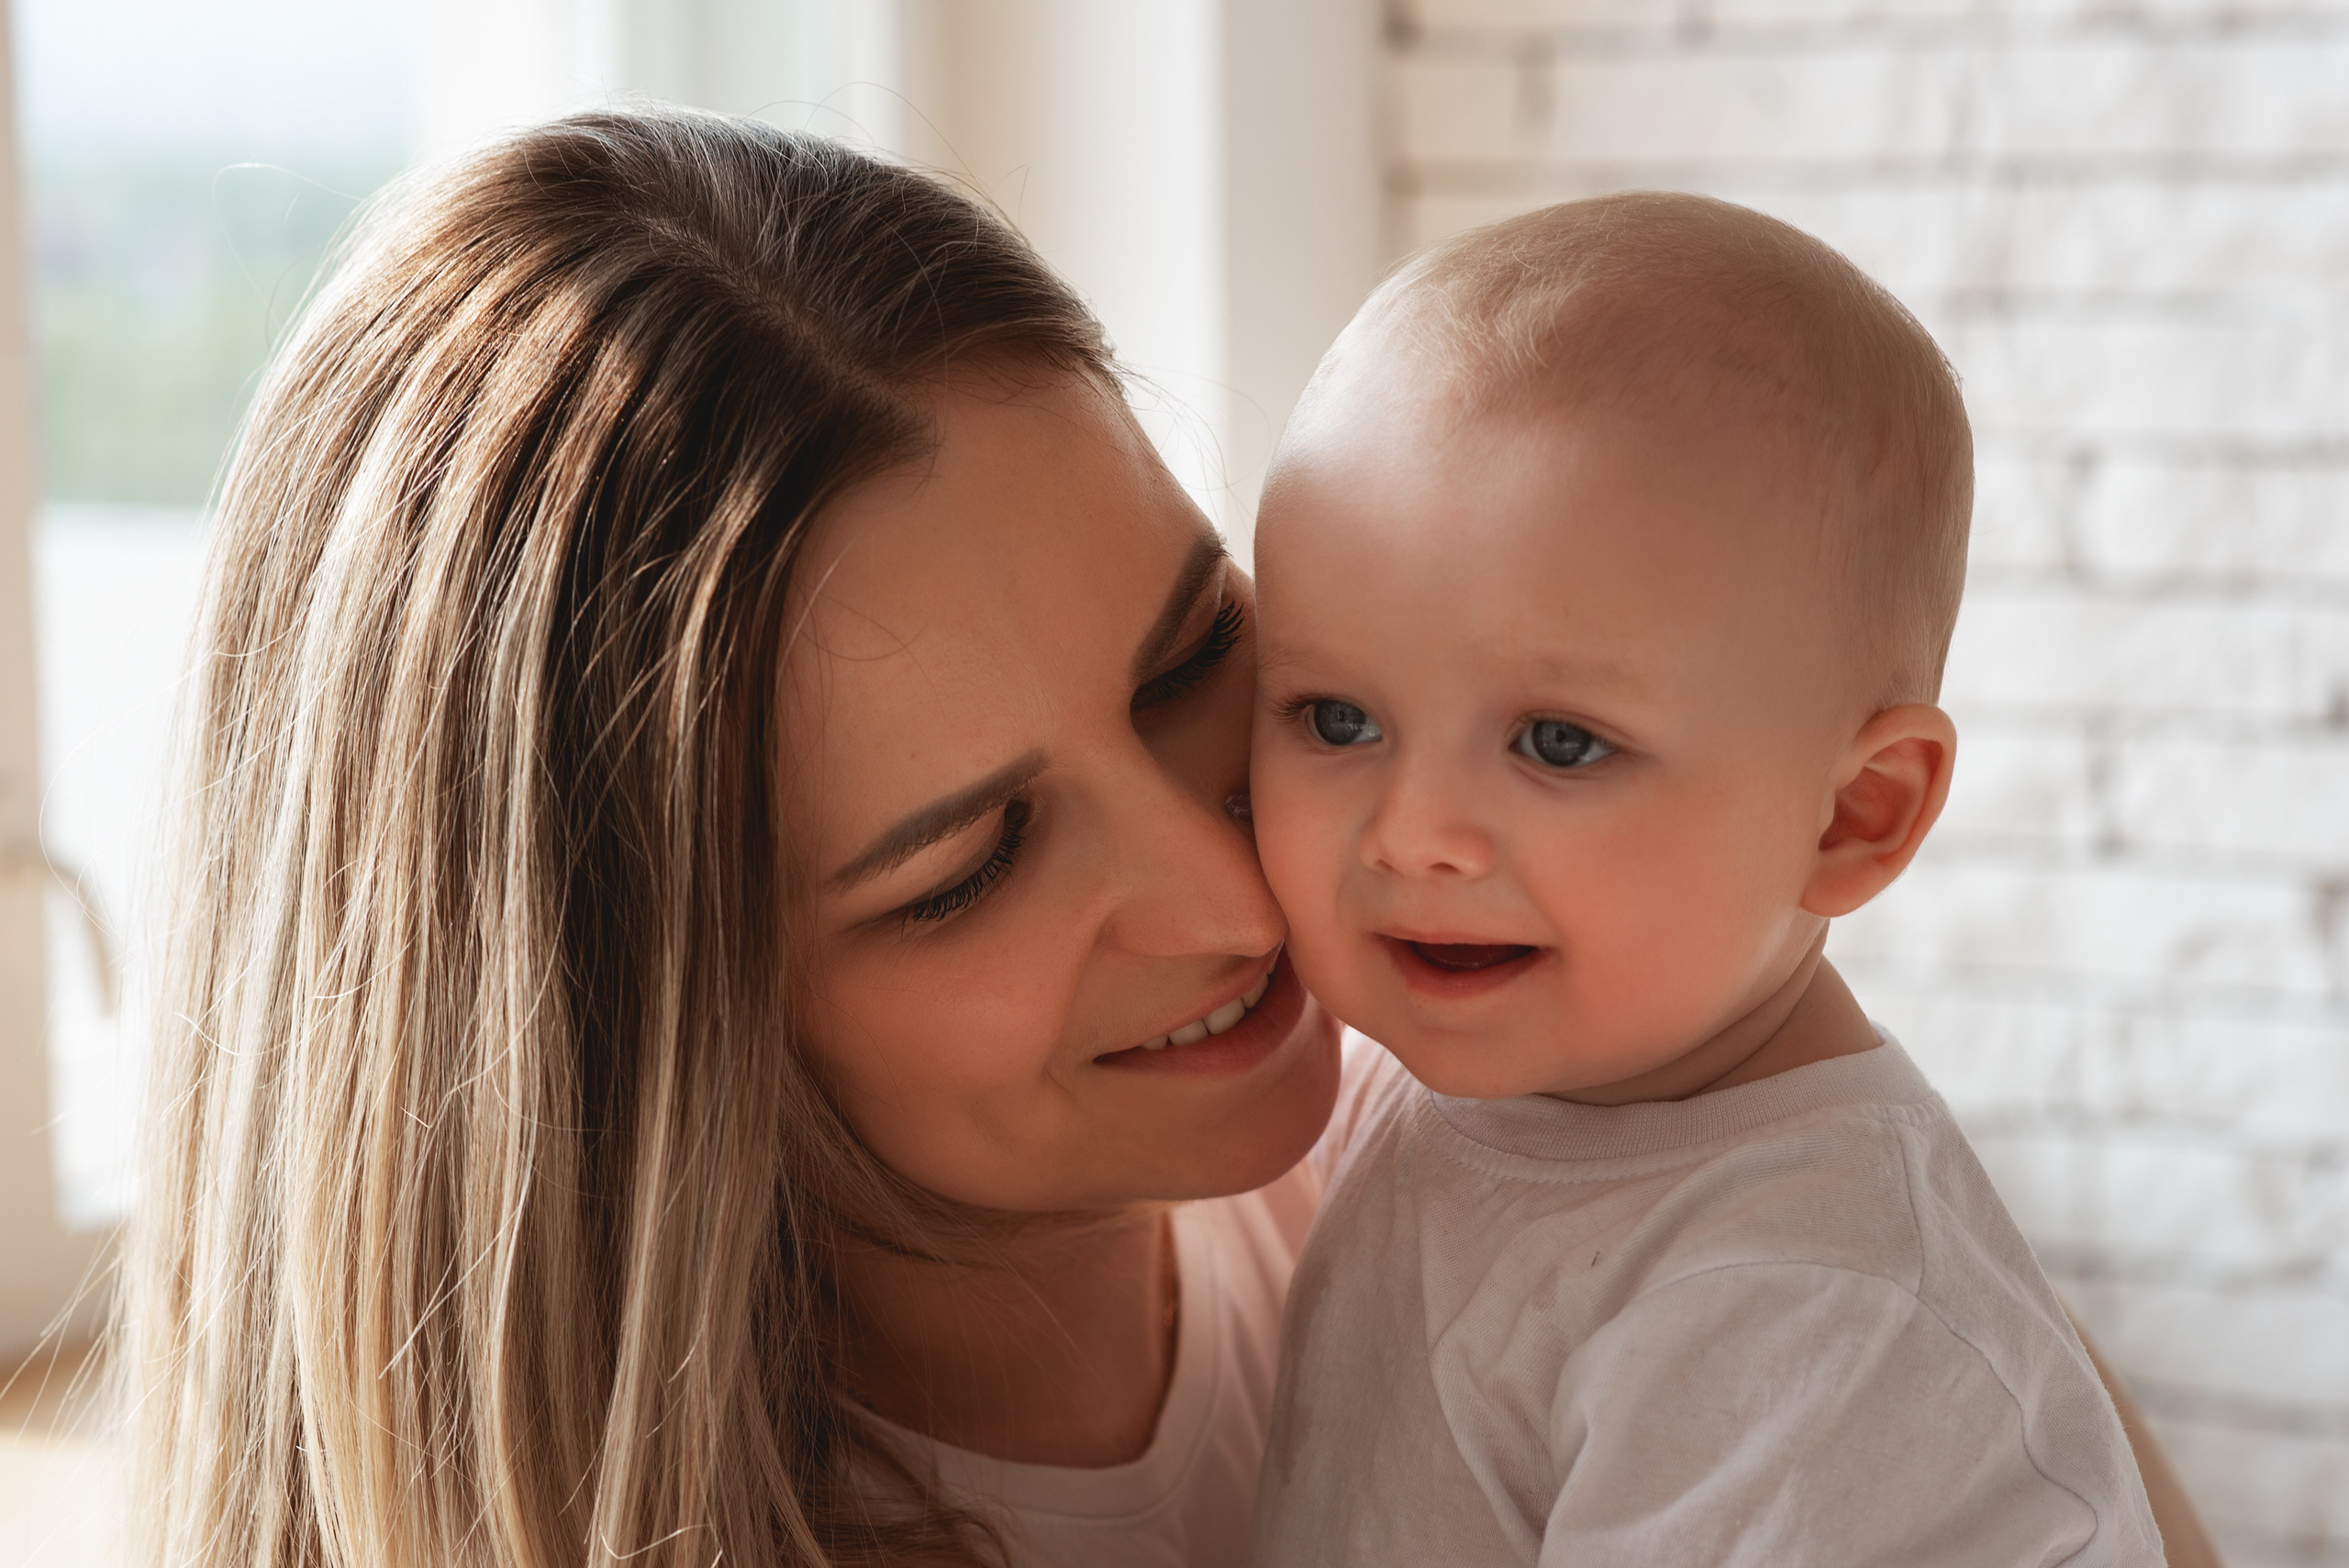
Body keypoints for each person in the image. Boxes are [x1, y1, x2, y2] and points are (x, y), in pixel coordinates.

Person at [119, 111, 2211, 1568]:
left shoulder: (1594, 1168)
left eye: (1198, 660)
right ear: (626, 1032)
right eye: (962, 865)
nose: (1259, 893)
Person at [1245, 195, 2165, 1563]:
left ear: (1852, 815)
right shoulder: (1443, 1075)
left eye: (1559, 742)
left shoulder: (1813, 1309)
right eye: (1336, 719)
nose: (1410, 832)